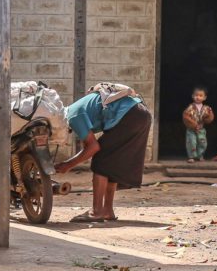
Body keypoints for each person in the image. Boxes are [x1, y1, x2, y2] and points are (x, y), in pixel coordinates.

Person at [54, 83, 152, 223]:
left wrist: (68, 165)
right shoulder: (79, 110)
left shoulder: (72, 116)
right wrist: (70, 162)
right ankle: (107, 211)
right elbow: (88, 146)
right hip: (141, 114)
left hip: (130, 115)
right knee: (110, 162)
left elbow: (93, 148)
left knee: (101, 161)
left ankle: (97, 211)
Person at [182, 86, 214, 163]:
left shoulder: (207, 108)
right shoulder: (190, 107)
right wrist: (193, 124)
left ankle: (200, 156)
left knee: (203, 143)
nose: (198, 97)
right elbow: (185, 116)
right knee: (191, 142)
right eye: (196, 95)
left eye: (200, 96)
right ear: (192, 96)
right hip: (191, 129)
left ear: (204, 97)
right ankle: (191, 157)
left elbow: (210, 118)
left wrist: (209, 115)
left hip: (201, 129)